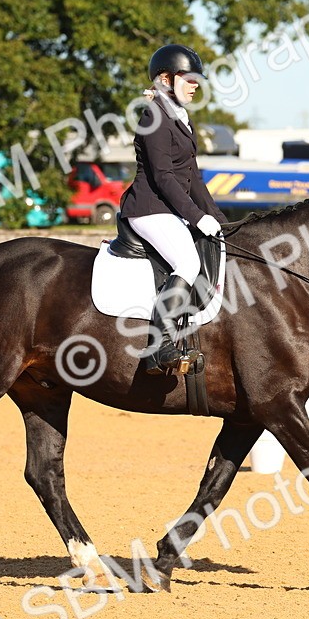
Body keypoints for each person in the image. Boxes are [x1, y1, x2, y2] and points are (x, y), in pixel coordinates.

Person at [119, 44, 229, 375]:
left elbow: (193, 179)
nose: (196, 85)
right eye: (189, 78)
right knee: (188, 262)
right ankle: (160, 347)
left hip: (168, 209)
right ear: (166, 80)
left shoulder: (180, 117)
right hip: (148, 208)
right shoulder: (154, 117)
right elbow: (163, 177)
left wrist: (220, 221)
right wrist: (196, 217)